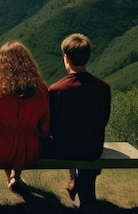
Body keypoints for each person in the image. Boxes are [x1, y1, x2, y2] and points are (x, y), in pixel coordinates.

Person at [41, 33, 111, 212]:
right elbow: (103, 120)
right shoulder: (103, 88)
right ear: (87, 57)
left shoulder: (57, 90)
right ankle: (81, 185)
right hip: (93, 149)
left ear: (67, 58)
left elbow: (48, 126)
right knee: (85, 140)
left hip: (61, 149)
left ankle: (77, 183)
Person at [0, 41, 50, 191]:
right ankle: (15, 176)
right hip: (30, 151)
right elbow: (44, 129)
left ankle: (11, 176)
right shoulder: (41, 88)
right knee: (17, 143)